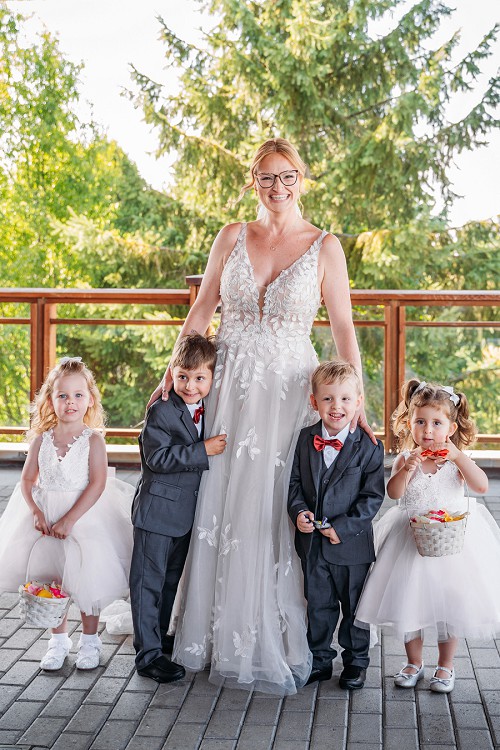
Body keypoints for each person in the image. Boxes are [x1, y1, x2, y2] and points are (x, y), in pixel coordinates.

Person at [149, 137, 374, 695]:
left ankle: (283, 626)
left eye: (288, 176)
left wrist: (358, 393)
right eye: (268, 177)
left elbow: (343, 327)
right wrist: (171, 371)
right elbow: (202, 310)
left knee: (281, 498)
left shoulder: (325, 246)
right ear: (254, 181)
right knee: (218, 496)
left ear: (302, 178)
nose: (279, 187)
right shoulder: (230, 236)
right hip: (228, 385)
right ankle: (206, 625)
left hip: (289, 389)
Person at [355, 379, 500, 694]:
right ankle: (413, 662)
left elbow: (481, 486)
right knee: (411, 602)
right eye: (420, 421)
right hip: (411, 540)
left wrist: (459, 457)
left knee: (450, 604)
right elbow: (394, 494)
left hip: (452, 544)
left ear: (450, 427)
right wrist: (407, 469)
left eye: (437, 422)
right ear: (409, 423)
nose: (428, 429)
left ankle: (446, 666)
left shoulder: (454, 461)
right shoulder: (407, 458)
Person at [0, 357, 134, 671]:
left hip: (84, 519)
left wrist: (71, 519)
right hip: (45, 522)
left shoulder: (93, 441)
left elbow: (99, 482)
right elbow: (27, 480)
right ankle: (58, 641)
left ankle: (90, 641)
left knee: (87, 580)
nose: (70, 402)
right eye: (62, 395)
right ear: (51, 400)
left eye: (77, 395)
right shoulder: (41, 441)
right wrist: (35, 511)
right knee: (52, 581)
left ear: (89, 400)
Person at [130, 333, 226, 683]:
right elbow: (157, 457)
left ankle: (157, 639)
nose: (190, 385)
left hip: (183, 516)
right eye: (183, 376)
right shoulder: (161, 409)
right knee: (147, 584)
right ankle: (147, 656)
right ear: (172, 372)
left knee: (169, 581)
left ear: (212, 379)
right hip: (156, 513)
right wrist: (204, 450)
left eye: (200, 378)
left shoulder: (209, 409)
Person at [288, 360, 384, 691]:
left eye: (345, 399)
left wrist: (342, 528)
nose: (336, 407)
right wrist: (299, 511)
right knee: (318, 603)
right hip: (312, 545)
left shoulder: (369, 446)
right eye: (328, 399)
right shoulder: (303, 440)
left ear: (358, 402)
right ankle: (320, 659)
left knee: (355, 606)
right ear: (314, 402)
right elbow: (295, 485)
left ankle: (356, 662)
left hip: (352, 546)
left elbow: (372, 498)